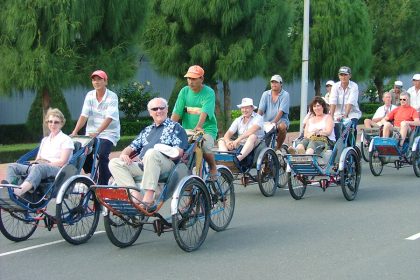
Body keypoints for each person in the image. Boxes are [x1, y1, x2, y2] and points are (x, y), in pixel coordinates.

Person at [109, 97, 188, 210]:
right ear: (150, 113)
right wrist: (124, 154)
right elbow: (131, 147)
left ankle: (149, 197)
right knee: (114, 162)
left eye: (162, 108)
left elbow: (179, 152)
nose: (159, 111)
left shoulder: (175, 127)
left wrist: (162, 150)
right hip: (144, 164)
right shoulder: (147, 130)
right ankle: (135, 194)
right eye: (155, 109)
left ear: (167, 110)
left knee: (152, 153)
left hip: (166, 165)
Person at [3, 108, 74, 197]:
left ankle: (19, 192)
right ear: (47, 123)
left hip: (57, 170)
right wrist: (36, 163)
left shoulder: (66, 139)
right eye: (50, 121)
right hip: (40, 166)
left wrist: (45, 164)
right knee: (12, 166)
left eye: (56, 122)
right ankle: (11, 188)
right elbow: (38, 159)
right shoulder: (45, 140)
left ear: (62, 123)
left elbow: (62, 162)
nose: (52, 124)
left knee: (38, 168)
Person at [71, 70, 120, 185]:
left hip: (109, 133)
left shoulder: (112, 96)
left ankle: (103, 182)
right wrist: (75, 131)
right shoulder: (90, 95)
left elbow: (109, 118)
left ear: (105, 81)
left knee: (102, 153)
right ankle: (92, 173)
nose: (96, 82)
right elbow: (84, 115)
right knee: (81, 151)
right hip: (91, 132)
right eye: (94, 79)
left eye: (99, 79)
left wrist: (98, 132)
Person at [171, 65, 219, 180]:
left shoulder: (209, 92)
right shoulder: (184, 91)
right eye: (189, 78)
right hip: (187, 130)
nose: (190, 81)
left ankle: (213, 167)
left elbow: (205, 111)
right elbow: (177, 112)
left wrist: (198, 126)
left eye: (194, 79)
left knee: (205, 146)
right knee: (182, 152)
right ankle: (189, 183)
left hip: (206, 129)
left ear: (201, 79)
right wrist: (169, 127)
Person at [218, 98, 264, 165]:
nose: (244, 110)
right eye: (242, 108)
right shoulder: (238, 119)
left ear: (252, 108)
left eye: (247, 108)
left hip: (256, 143)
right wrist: (228, 142)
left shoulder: (258, 118)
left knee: (252, 136)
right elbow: (228, 133)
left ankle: (237, 160)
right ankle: (225, 160)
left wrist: (237, 140)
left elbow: (251, 131)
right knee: (221, 140)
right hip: (240, 143)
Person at [257, 74, 290, 152]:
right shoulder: (265, 94)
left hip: (280, 120)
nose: (274, 84)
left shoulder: (285, 95)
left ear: (281, 84)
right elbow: (260, 110)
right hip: (266, 121)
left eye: (276, 82)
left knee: (282, 127)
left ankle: (278, 148)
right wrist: (256, 120)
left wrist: (272, 123)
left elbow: (281, 112)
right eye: (272, 82)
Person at [329, 66, 362, 142]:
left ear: (350, 76)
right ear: (339, 76)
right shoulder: (335, 86)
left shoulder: (354, 86)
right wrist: (331, 116)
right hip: (337, 114)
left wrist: (346, 115)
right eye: (341, 75)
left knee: (350, 127)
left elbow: (350, 102)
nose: (343, 77)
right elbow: (333, 101)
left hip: (352, 113)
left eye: (345, 75)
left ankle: (351, 145)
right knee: (333, 128)